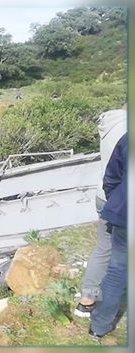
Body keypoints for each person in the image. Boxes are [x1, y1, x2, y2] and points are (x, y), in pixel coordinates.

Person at [74, 109, 127, 318]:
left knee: (103, 248)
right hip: (118, 198)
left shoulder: (110, 122)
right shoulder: (126, 129)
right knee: (113, 253)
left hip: (104, 193)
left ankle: (86, 301)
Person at [89, 132, 127, 338]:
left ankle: (98, 327)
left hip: (125, 214)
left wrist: (118, 203)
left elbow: (111, 177)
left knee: (116, 271)